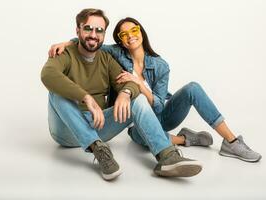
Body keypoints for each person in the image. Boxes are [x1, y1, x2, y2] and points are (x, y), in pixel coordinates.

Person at [49, 16, 262, 163]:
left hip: (160, 115)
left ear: (141, 32)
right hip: (133, 122)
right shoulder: (115, 55)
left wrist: (139, 84)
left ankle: (232, 142)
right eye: (124, 34)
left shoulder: (160, 66)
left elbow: (159, 105)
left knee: (193, 88)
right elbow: (90, 41)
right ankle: (185, 139)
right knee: (139, 137)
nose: (130, 35)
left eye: (134, 30)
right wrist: (66, 42)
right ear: (120, 40)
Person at [41, 8, 202, 181]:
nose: (93, 34)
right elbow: (47, 75)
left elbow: (130, 82)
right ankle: (98, 149)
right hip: (65, 130)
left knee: (137, 97)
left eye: (99, 30)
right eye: (88, 28)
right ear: (78, 30)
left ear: (104, 35)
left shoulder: (106, 59)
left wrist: (125, 93)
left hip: (98, 125)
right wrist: (86, 97)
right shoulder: (63, 53)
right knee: (56, 92)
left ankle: (167, 156)